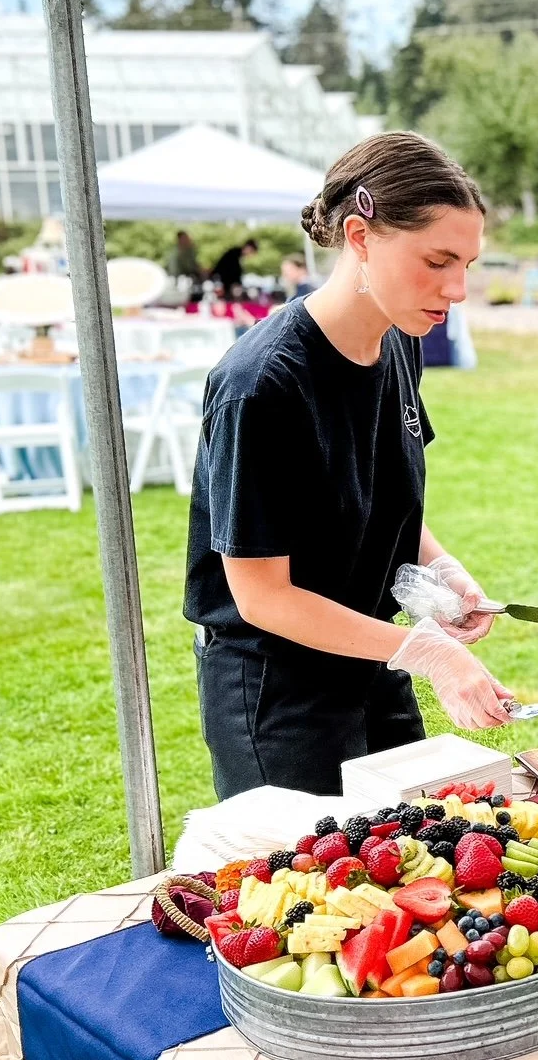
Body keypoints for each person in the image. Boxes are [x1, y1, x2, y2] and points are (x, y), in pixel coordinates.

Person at [185, 132, 513, 799]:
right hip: (277, 688)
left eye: (467, 264)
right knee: (311, 889)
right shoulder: (263, 385)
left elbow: (386, 500)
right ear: (360, 237)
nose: (459, 289)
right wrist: (428, 652)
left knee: (415, 852)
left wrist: (445, 574)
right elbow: (261, 595)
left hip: (371, 656)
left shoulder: (398, 343)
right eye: (438, 261)